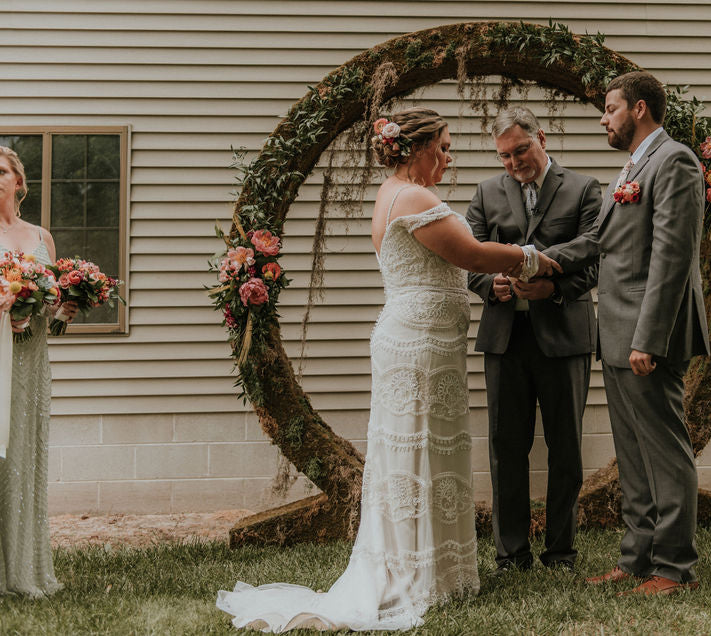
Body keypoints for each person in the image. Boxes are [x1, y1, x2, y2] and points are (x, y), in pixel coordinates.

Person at [216, 108, 560, 631]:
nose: (448, 157)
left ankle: (433, 570)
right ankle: (414, 576)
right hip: (418, 346)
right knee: (416, 450)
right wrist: (533, 258)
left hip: (422, 343)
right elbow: (470, 254)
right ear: (417, 148)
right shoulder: (413, 196)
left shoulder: (392, 193)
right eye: (443, 147)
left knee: (423, 450)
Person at [545, 71, 709, 596]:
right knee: (632, 455)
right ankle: (637, 557)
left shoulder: (675, 161)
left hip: (645, 336)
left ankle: (674, 566)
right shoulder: (634, 165)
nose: (603, 118)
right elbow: (601, 241)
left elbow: (672, 257)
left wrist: (649, 338)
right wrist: (538, 261)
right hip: (614, 332)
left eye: (610, 108)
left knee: (663, 450)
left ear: (639, 109)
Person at [465, 107, 601, 572]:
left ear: (540, 137)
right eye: (504, 156)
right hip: (506, 339)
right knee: (505, 448)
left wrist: (552, 283)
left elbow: (595, 255)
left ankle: (561, 551)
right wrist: (492, 286)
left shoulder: (584, 188)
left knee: (566, 447)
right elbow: (469, 260)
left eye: (520, 150)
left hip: (565, 336)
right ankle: (511, 554)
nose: (514, 163)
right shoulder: (485, 193)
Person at [0, 146, 77, 596]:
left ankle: (23, 569)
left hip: (31, 361)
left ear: (19, 181)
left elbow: (55, 318)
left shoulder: (42, 238)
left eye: (1, 170)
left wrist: (65, 309)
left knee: (23, 458)